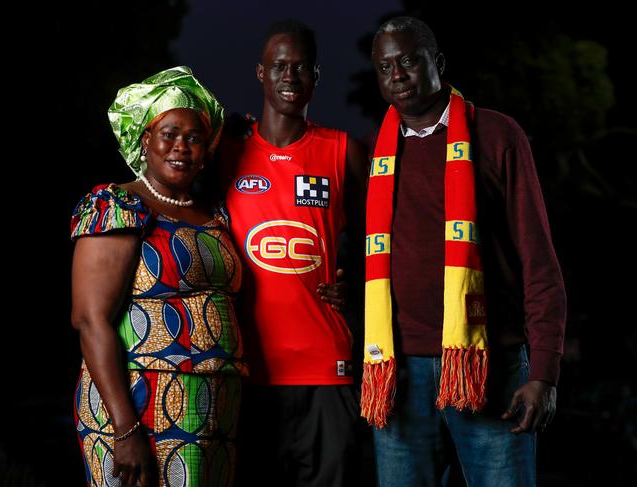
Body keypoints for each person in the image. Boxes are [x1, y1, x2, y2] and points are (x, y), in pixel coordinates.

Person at [360, 17, 567, 486]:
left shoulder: (496, 135)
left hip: (492, 369)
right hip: (398, 375)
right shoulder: (375, 155)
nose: (397, 74)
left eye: (409, 60)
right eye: (384, 66)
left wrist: (545, 373)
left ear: (438, 63)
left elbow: (539, 260)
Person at [71, 66, 245, 487]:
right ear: (145, 139)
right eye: (169, 133)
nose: (181, 147)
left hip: (212, 409)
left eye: (194, 138)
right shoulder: (119, 204)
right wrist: (125, 428)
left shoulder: (215, 214)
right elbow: (89, 319)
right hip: (138, 403)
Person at [220, 20, 367, 487]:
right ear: (259, 73)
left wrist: (357, 286)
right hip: (249, 372)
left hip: (327, 368)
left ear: (315, 78)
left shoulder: (343, 151)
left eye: (300, 67)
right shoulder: (227, 152)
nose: (289, 76)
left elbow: (381, 241)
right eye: (279, 66)